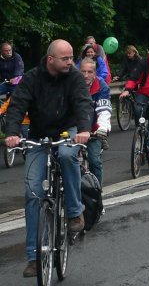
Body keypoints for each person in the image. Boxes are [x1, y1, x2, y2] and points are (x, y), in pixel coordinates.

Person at [3, 39, 92, 278]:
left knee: (65, 155)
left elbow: (83, 103)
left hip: (68, 130)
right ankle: (34, 257)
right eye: (65, 58)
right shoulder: (32, 78)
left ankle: (74, 211)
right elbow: (17, 105)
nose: (70, 62)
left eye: (71, 57)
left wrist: (84, 130)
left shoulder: (73, 77)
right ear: (50, 59)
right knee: (33, 192)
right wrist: (12, 133)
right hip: (39, 135)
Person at [79, 58, 111, 186]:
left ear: (95, 73)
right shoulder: (73, 84)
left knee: (94, 161)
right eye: (83, 71)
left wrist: (102, 128)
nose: (86, 75)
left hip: (94, 129)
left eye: (90, 72)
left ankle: (97, 193)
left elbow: (104, 109)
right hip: (76, 129)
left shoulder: (101, 86)